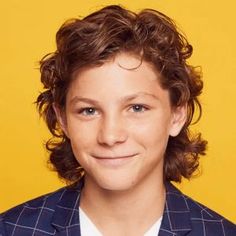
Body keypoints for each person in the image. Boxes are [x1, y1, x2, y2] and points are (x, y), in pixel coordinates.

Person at [0, 4, 235, 236]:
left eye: (137, 108)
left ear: (177, 114)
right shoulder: (11, 230)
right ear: (62, 118)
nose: (110, 136)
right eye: (89, 111)